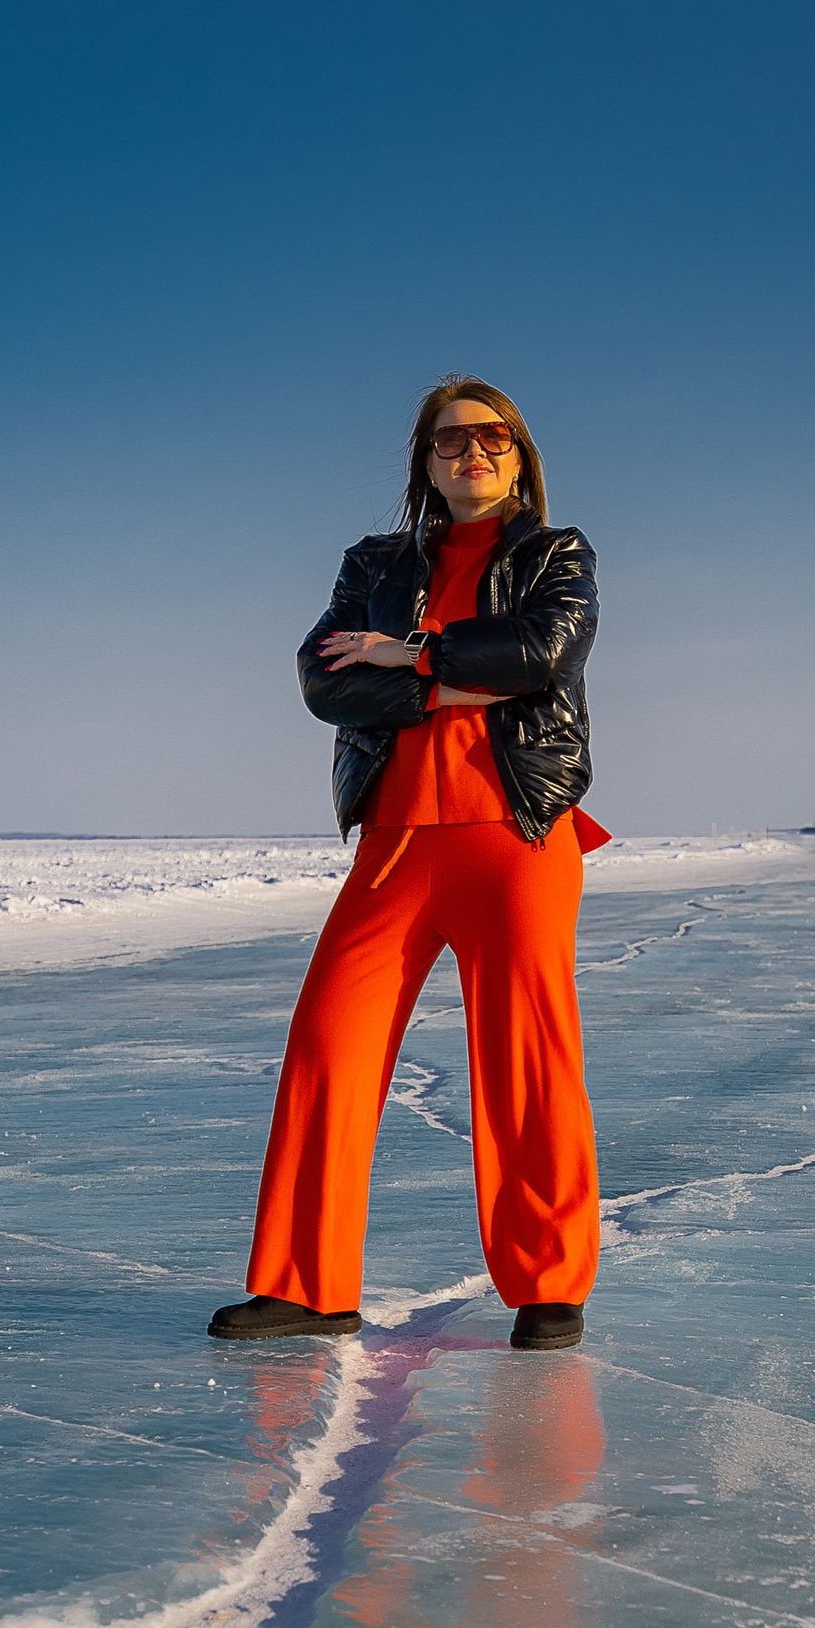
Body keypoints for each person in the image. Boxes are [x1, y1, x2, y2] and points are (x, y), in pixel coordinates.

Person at [210, 376, 603, 1349]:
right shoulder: (374, 563)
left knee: (524, 1059)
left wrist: (411, 655)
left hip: (513, 835)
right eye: (448, 441)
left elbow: (542, 651)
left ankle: (548, 1284)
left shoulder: (553, 554)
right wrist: (443, 692)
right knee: (326, 1049)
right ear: (423, 462)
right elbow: (323, 677)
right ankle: (306, 1286)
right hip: (393, 847)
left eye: (491, 437)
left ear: (518, 453)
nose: (471, 452)